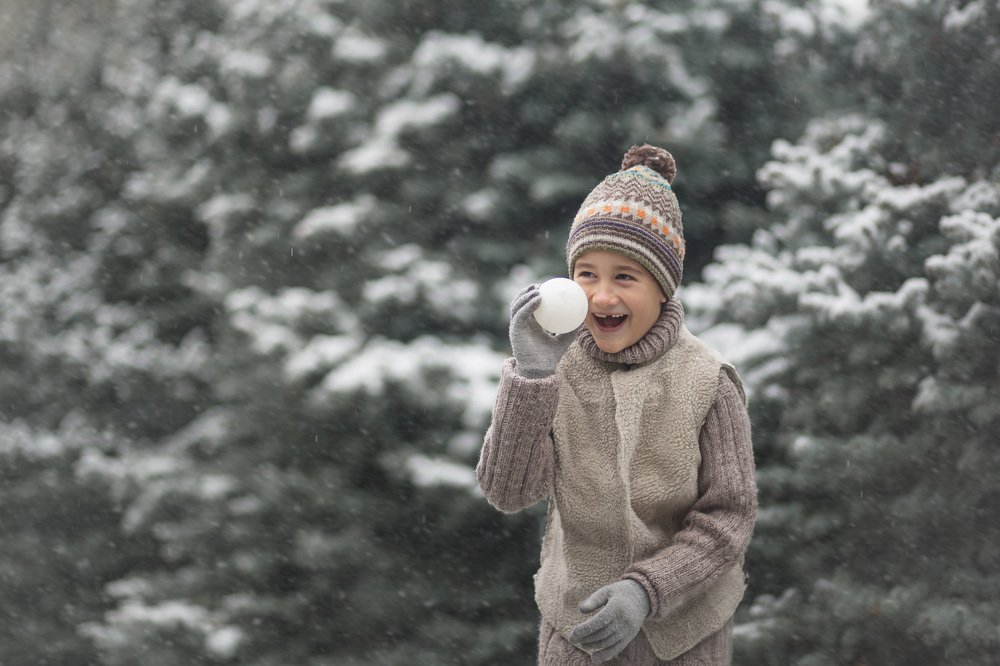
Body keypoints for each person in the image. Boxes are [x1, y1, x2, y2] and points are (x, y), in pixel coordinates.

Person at [476, 145, 757, 665]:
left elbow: (729, 519)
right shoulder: (552, 372)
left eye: (625, 277)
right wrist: (531, 377)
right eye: (587, 274)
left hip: (684, 636)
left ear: (662, 287)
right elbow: (508, 492)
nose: (602, 296)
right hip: (575, 631)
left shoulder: (708, 382)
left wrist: (647, 590)